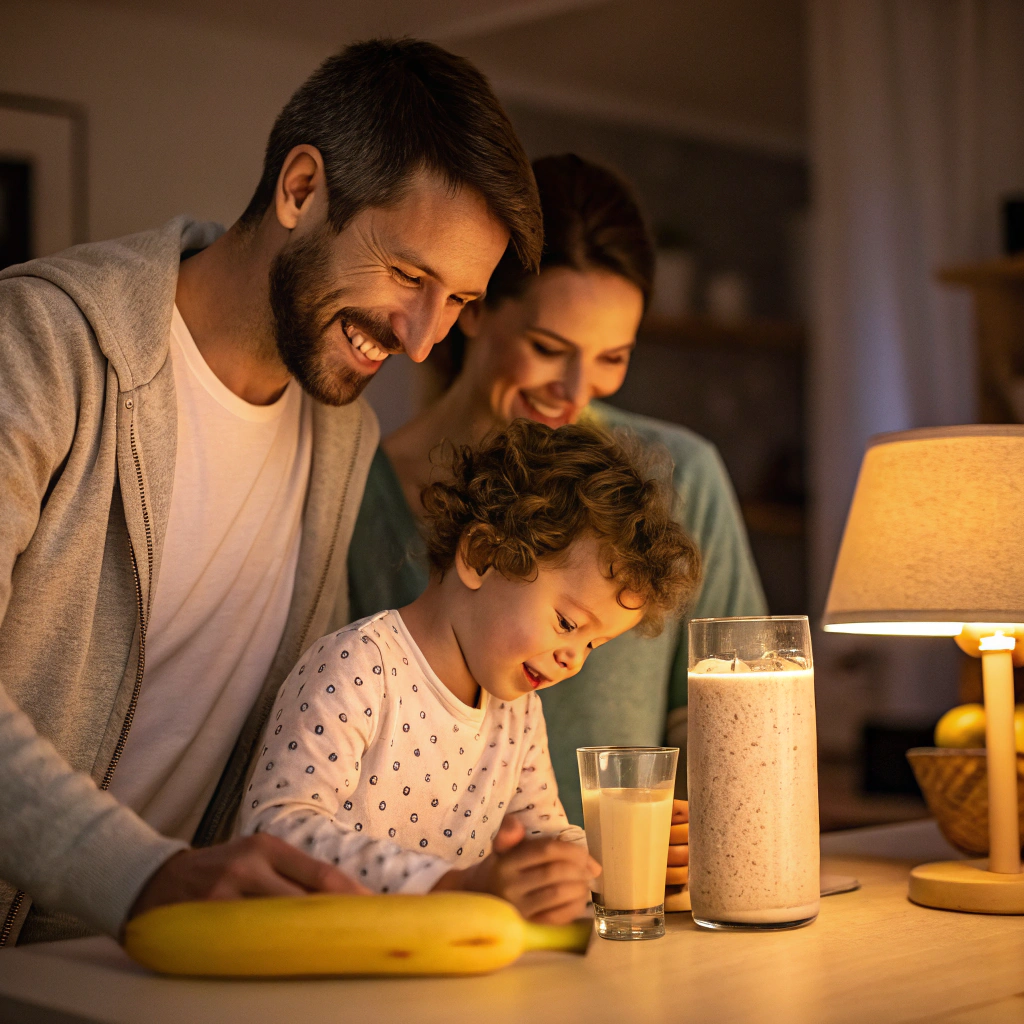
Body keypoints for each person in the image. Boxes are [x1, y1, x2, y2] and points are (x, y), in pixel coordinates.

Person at [0, 39, 542, 946]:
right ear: (300, 190)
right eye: (410, 276)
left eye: (454, 302)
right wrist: (147, 878)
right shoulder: (44, 347)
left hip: (164, 965)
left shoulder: (341, 437)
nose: (419, 342)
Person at [348, 154, 766, 826]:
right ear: (475, 307)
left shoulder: (681, 480)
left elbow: (742, 730)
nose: (574, 394)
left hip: (635, 902)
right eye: (547, 347)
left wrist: (700, 845)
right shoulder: (354, 495)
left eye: (611, 359)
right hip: (445, 911)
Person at [240, 420, 700, 923]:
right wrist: (449, 886)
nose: (575, 658)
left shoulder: (518, 712)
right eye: (567, 623)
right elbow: (276, 828)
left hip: (447, 977)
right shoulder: (358, 668)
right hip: (335, 972)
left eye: (593, 643)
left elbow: (541, 835)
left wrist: (616, 862)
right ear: (481, 557)